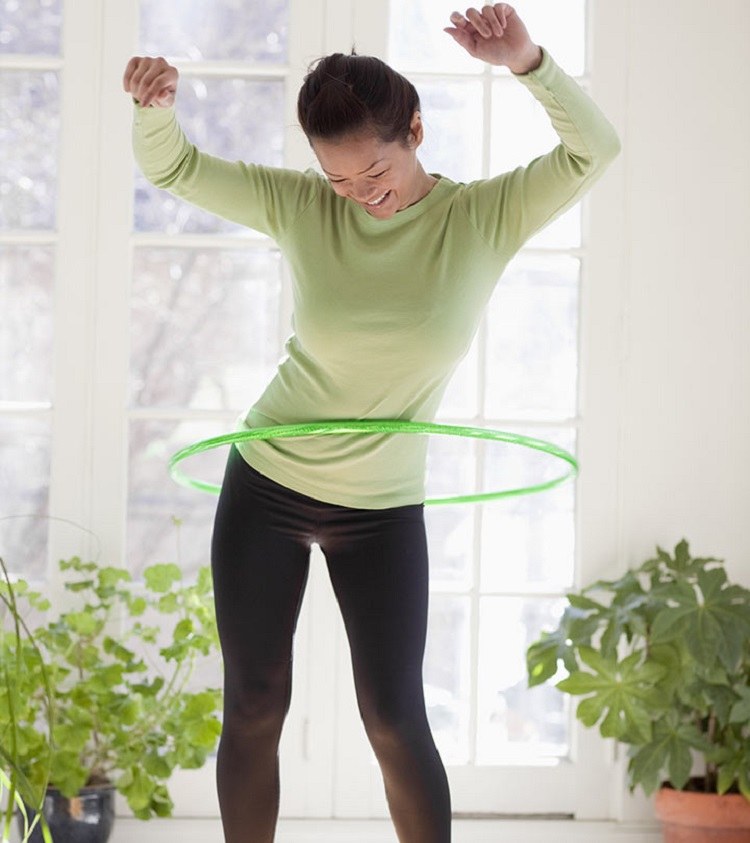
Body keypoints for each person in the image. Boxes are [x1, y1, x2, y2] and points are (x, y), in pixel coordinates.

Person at [123, 5, 620, 841]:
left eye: (375, 173)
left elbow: (594, 151)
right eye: (339, 180)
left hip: (383, 506)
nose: (362, 197)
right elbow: (177, 170)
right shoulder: (307, 210)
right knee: (253, 703)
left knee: (393, 716)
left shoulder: (479, 219)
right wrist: (154, 110)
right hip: (270, 481)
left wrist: (528, 62)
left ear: (417, 129)